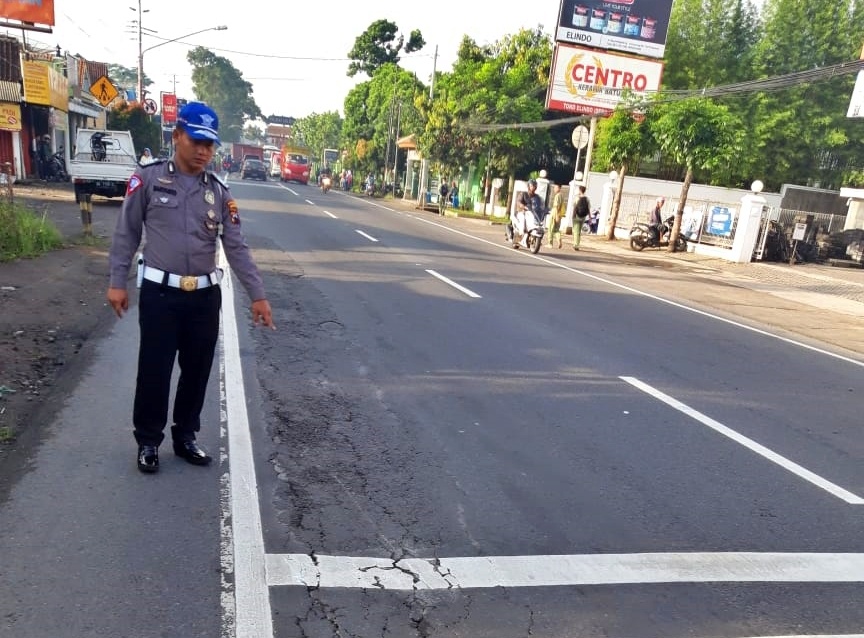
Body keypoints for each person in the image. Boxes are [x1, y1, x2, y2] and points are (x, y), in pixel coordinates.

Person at [106, 101, 275, 474]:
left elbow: (237, 246)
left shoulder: (219, 191)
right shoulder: (148, 179)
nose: (203, 151)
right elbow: (126, 233)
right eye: (196, 141)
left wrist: (258, 295)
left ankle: (185, 436)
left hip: (204, 296)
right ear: (177, 136)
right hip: (160, 295)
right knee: (155, 370)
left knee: (197, 371)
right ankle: (148, 440)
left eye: (209, 144)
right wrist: (117, 281)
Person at [509, 178, 544, 247]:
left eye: (534, 186)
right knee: (522, 223)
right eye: (532, 186)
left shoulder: (537, 197)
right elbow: (518, 201)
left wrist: (543, 209)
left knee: (540, 225)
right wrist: (522, 206)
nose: (533, 187)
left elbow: (540, 205)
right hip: (521, 212)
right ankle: (518, 237)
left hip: (531, 213)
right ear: (528, 186)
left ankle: (535, 238)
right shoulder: (523, 194)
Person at [573, 185, 591, 250]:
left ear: (580, 190)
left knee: (576, 230)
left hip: (577, 216)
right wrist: (590, 217)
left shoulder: (577, 198)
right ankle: (577, 244)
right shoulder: (587, 199)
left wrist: (573, 215)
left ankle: (576, 244)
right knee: (579, 231)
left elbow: (575, 207)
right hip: (583, 216)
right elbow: (588, 208)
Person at [548, 183, 565, 248]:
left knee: (550, 228)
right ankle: (559, 239)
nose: (554, 189)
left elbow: (557, 206)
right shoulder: (562, 195)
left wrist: (557, 215)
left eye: (555, 187)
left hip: (555, 213)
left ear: (559, 188)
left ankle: (550, 243)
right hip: (559, 214)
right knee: (557, 229)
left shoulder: (557, 196)